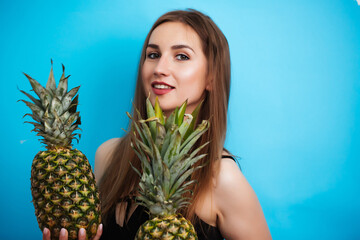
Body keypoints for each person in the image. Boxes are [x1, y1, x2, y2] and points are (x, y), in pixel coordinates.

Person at [43, 8, 272, 240]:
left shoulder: (223, 179)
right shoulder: (108, 155)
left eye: (181, 56)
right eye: (153, 55)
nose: (160, 69)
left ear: (211, 76)